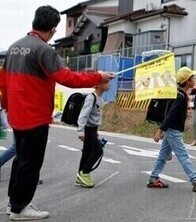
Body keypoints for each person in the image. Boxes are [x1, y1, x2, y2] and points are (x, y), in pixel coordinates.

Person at [0, 5, 114, 220]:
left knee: (21, 160)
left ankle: (13, 203)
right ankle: (19, 209)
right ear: (53, 29)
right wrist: (98, 76)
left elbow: (3, 83)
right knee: (31, 164)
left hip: (17, 115)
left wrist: (7, 106)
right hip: (35, 116)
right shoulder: (44, 50)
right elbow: (66, 77)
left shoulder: (14, 47)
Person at [147, 67, 196, 192]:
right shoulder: (181, 96)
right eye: (192, 78)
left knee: (162, 155)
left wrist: (162, 129)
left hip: (171, 129)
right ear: (188, 81)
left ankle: (153, 178)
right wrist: (161, 130)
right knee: (183, 155)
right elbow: (170, 114)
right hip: (173, 130)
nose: (194, 80)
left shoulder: (178, 93)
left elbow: (169, 113)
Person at [75, 81, 110, 188]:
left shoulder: (99, 98)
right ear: (98, 85)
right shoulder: (92, 97)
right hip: (88, 129)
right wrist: (81, 130)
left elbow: (94, 117)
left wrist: (96, 130)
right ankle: (85, 173)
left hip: (92, 129)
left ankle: (80, 176)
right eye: (106, 83)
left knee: (87, 152)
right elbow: (83, 115)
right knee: (98, 150)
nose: (109, 85)